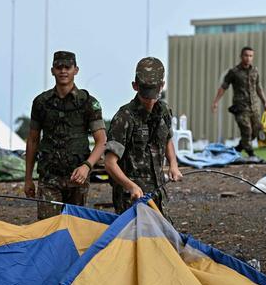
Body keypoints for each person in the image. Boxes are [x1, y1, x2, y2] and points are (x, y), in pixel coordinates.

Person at [24, 51, 107, 219]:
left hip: (77, 177)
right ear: (52, 70)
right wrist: (28, 178)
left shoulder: (88, 103)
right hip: (49, 177)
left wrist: (87, 166)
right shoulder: (41, 103)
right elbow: (33, 140)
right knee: (47, 229)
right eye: (59, 67)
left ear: (75, 70)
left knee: (75, 229)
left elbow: (102, 141)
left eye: (67, 67)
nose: (63, 71)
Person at [105, 57, 182, 216]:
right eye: (145, 94)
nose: (149, 100)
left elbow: (167, 139)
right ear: (135, 86)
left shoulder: (164, 111)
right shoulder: (124, 118)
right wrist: (130, 186)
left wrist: (173, 164)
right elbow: (110, 163)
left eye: (153, 94)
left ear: (162, 86)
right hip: (131, 200)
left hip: (158, 194)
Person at [211, 46, 266, 163]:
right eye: (246, 55)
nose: (248, 58)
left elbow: (259, 88)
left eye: (250, 56)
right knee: (246, 131)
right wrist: (216, 102)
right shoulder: (234, 72)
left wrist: (265, 102)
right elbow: (223, 87)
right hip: (240, 107)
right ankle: (251, 154)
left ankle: (236, 150)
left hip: (254, 107)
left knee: (256, 131)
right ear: (241, 56)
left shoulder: (255, 71)